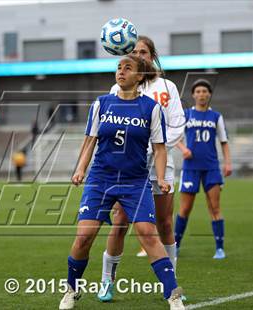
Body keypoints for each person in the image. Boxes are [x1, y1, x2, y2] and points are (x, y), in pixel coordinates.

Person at [59, 55, 185, 310]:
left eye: (128, 68)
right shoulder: (101, 104)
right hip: (101, 179)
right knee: (84, 237)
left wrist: (160, 178)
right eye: (118, 67)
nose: (121, 71)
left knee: (149, 235)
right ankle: (71, 290)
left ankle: (173, 295)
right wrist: (80, 169)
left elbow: (159, 149)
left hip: (135, 181)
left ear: (140, 77)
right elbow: (90, 141)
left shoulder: (151, 108)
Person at [97, 35, 185, 302]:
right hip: (126, 167)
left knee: (165, 223)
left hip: (161, 164)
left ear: (152, 56)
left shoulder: (166, 86)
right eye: (133, 51)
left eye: (143, 52)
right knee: (120, 223)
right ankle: (106, 281)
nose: (138, 55)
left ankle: (171, 285)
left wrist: (156, 149)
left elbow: (177, 124)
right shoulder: (118, 88)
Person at [174, 79, 232, 259]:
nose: (201, 94)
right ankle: (175, 247)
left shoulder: (216, 117)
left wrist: (228, 163)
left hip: (211, 168)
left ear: (209, 95)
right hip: (190, 168)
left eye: (204, 91)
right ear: (193, 95)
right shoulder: (185, 115)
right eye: (198, 91)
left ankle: (219, 248)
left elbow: (224, 142)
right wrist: (184, 149)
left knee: (215, 208)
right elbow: (174, 137)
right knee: (184, 209)